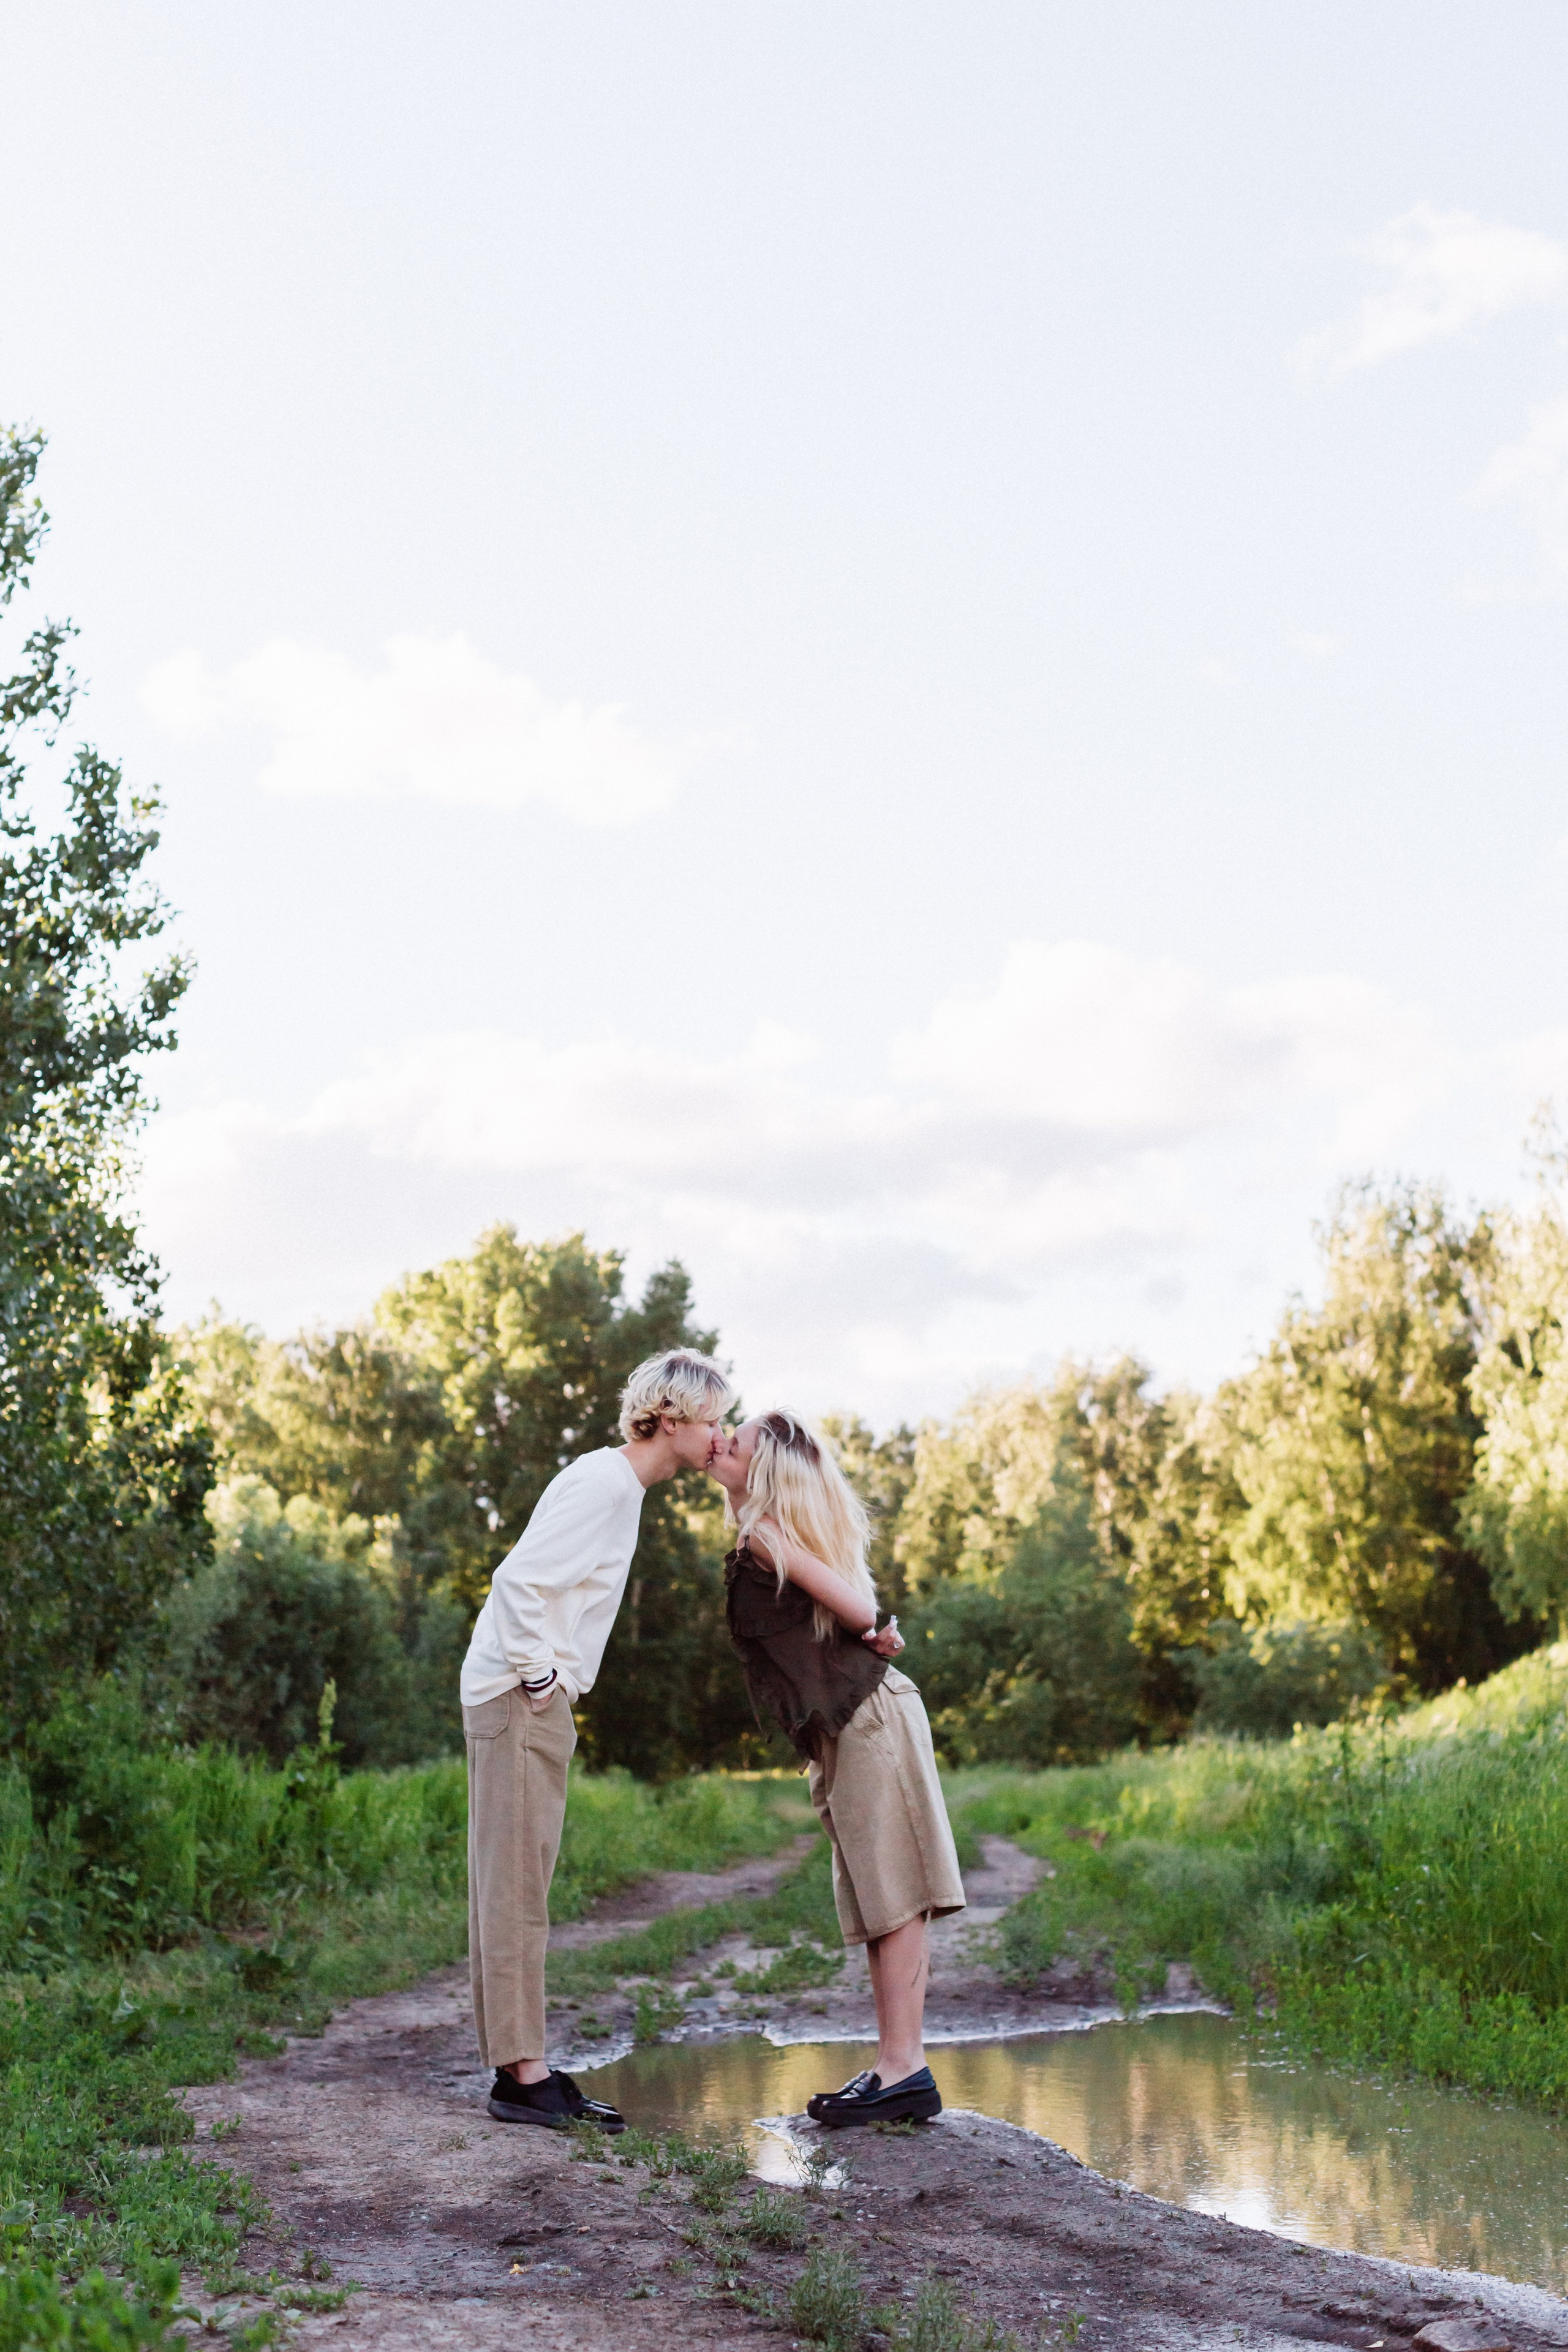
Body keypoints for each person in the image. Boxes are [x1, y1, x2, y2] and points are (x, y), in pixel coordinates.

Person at [461, 1346, 736, 2132]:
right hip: (518, 1697)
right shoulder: (605, 1484)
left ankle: (520, 2066)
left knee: (517, 1884)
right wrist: (541, 1681)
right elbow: (517, 1584)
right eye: (714, 1421)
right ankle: (523, 2079)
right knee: (516, 1889)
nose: (721, 1436)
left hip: (521, 1694)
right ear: (672, 1418)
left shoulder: (617, 1485)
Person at [709, 1409, 965, 2126]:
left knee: (895, 1892)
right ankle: (895, 2064)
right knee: (875, 1896)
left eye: (741, 1438)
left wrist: (871, 1627)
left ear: (767, 1471)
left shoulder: (764, 1534)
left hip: (869, 1716)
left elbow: (860, 1605)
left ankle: (904, 2068)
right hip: (844, 1726)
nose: (723, 1438)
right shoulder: (755, 1532)